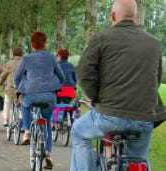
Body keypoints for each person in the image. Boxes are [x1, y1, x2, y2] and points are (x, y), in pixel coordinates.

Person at [70, 0, 166, 171]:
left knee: (78, 132)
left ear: (113, 15)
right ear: (135, 16)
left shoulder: (101, 38)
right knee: (139, 159)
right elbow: (156, 78)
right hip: (144, 117)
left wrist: (96, 97)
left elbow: (83, 73)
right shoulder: (154, 43)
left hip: (110, 116)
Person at [14, 31, 64, 169]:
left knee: (24, 105)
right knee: (46, 122)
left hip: (30, 94)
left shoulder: (26, 59)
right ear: (45, 43)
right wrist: (57, 86)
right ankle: (48, 154)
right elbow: (61, 76)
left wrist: (19, 90)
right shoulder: (52, 58)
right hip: (49, 96)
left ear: (32, 44)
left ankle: (27, 131)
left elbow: (17, 77)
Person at [0, 47, 24, 127]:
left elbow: (3, 75)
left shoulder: (9, 64)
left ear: (13, 54)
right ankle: (21, 119)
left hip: (11, 88)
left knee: (7, 102)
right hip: (22, 89)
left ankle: (6, 120)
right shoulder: (25, 63)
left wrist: (0, 82)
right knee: (23, 103)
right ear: (22, 54)